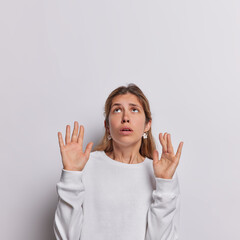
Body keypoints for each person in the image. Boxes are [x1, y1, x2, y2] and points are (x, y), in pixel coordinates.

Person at [53, 83, 184, 240]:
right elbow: (67, 237)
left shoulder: (161, 172)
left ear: (147, 125)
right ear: (107, 126)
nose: (125, 118)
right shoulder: (86, 165)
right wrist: (71, 174)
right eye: (117, 110)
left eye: (134, 109)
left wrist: (164, 184)